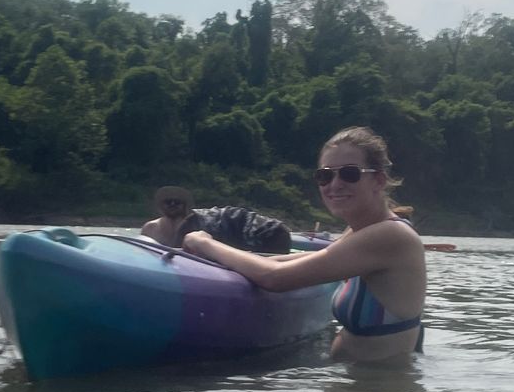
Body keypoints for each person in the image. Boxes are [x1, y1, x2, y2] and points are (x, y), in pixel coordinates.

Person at [181, 126, 426, 362]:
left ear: (379, 180)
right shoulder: (361, 230)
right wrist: (213, 261)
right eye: (325, 175)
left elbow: (276, 277)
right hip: (356, 389)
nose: (335, 184)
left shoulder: (388, 236)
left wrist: (206, 243)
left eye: (349, 174)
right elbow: (285, 262)